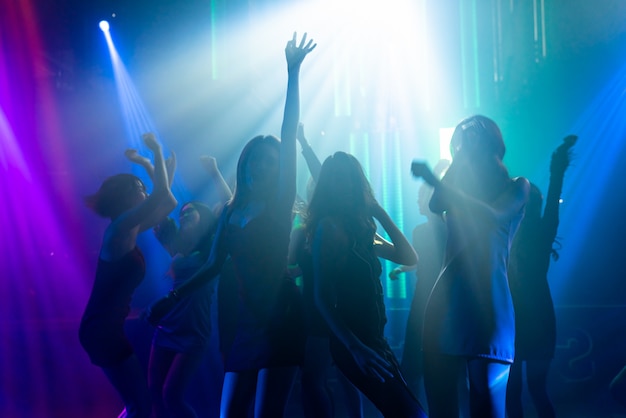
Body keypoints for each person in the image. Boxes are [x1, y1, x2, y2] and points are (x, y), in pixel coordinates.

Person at [147, 33, 316, 418]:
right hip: (244, 324)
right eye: (257, 159)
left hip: (281, 319)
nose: (263, 165)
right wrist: (169, 300)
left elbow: (288, 136)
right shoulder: (229, 212)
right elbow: (211, 267)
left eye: (271, 162)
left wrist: (292, 73)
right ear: (245, 163)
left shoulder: (278, 206)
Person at [411, 115, 530, 418]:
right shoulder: (455, 188)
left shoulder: (518, 187)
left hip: (489, 307)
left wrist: (436, 178)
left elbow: (493, 215)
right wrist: (458, 159)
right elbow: (436, 204)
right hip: (445, 303)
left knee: (488, 409)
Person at [304, 151, 427, 418]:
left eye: (349, 179)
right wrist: (354, 347)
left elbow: (409, 257)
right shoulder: (329, 228)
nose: (344, 185)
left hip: (374, 341)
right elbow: (321, 297)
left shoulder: (360, 229)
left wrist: (379, 212)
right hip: (355, 344)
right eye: (336, 179)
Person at [125, 152, 232, 418]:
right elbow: (160, 205)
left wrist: (215, 172)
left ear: (205, 219)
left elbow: (229, 206)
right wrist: (149, 167)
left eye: (191, 211)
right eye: (182, 212)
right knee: (155, 392)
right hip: (168, 324)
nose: (184, 214)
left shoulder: (212, 249)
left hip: (194, 330)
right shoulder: (175, 245)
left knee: (172, 395)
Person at [79, 133, 177, 418]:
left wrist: (149, 161)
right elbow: (160, 193)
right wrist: (156, 152)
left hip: (104, 327)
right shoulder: (120, 227)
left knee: (139, 404)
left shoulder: (129, 228)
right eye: (139, 187)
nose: (145, 191)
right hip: (101, 329)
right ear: (126, 196)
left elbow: (168, 200)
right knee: (140, 405)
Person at [289, 123, 364, 418]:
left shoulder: (339, 222)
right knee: (316, 379)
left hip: (336, 306)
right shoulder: (307, 229)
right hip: (315, 308)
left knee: (345, 378)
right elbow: (294, 267)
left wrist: (305, 144)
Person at [506, 135, 577, 418]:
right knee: (535, 391)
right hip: (536, 318)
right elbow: (554, 197)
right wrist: (557, 166)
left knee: (513, 394)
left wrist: (557, 167)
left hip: (514, 318)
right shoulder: (541, 231)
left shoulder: (508, 232)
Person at [392, 160, 449, 404]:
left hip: (439, 301)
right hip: (421, 300)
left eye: (420, 196)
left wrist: (433, 176)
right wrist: (402, 269)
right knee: (414, 363)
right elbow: (421, 261)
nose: (417, 201)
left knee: (436, 363)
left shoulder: (446, 229)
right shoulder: (419, 231)